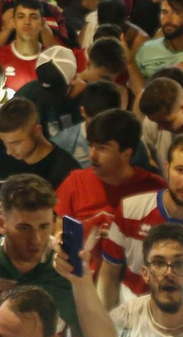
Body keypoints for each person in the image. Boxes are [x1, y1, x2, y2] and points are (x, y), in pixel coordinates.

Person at [97, 133, 183, 307]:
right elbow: (109, 274)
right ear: (167, 168)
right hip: (131, 321)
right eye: (180, 170)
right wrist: (107, 323)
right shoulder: (130, 211)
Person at [0, 174, 83, 337]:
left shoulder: (68, 270)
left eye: (44, 226)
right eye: (24, 228)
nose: (37, 239)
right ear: (2, 224)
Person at [55, 108, 165, 261]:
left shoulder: (154, 189)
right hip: (81, 277)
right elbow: (60, 229)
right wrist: (60, 243)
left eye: (102, 148)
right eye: (91, 145)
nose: (92, 154)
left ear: (127, 152)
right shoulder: (75, 182)